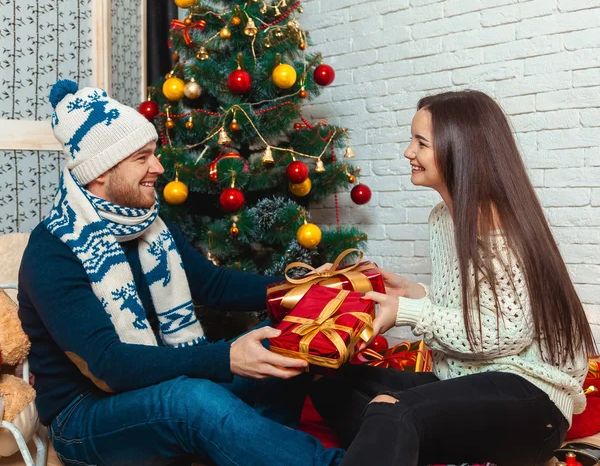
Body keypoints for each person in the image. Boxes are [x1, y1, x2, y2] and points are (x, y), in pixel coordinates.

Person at [18, 80, 344, 466]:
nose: (158, 167)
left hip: (157, 380)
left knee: (282, 342)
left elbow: (213, 283)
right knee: (192, 400)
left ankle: (260, 450)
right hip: (84, 415)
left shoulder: (148, 221)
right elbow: (110, 364)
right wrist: (224, 359)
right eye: (142, 158)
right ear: (100, 172)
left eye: (153, 154)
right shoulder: (53, 249)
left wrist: (300, 289)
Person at [310, 90, 595, 466]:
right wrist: (410, 292)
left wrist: (411, 312)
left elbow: (506, 332)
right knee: (326, 378)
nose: (408, 152)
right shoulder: (444, 217)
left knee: (393, 412)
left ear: (458, 149)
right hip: (465, 379)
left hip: (531, 399)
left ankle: (392, 440)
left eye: (421, 143)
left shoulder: (494, 225)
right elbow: (470, 304)